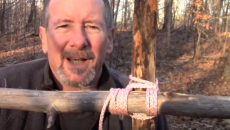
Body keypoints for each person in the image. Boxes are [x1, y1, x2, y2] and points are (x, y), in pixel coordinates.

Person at [0, 0, 168, 129]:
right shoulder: (5, 89)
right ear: (44, 39)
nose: (79, 41)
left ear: (109, 40)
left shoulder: (141, 107)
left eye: (92, 26)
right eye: (64, 25)